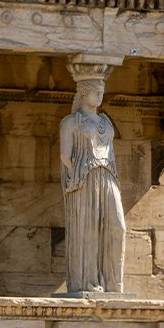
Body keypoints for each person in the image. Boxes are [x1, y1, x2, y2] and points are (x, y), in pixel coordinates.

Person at [59, 75, 125, 294]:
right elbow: (65, 156)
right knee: (89, 229)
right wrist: (77, 176)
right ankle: (88, 281)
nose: (101, 94)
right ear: (84, 93)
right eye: (96, 90)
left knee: (117, 226)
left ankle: (114, 282)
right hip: (84, 178)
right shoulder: (71, 122)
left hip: (108, 175)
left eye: (102, 90)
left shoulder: (105, 122)